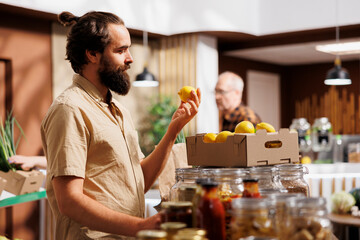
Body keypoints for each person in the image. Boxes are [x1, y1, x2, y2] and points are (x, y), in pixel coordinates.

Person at [40, 11, 201, 239]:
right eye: (121, 50)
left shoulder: (118, 111)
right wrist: (139, 226)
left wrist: (173, 130)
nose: (130, 58)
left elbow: (139, 181)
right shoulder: (70, 109)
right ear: (92, 54)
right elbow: (69, 201)